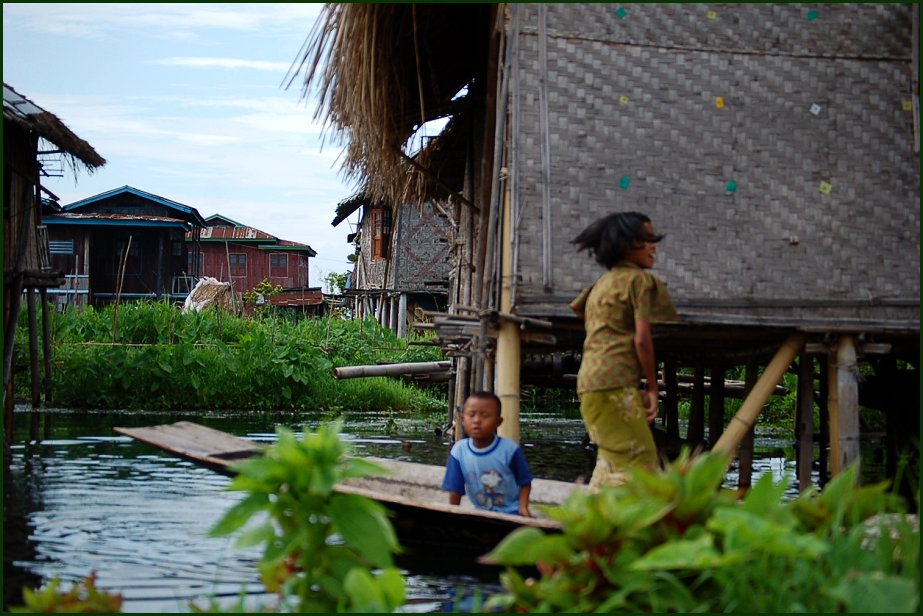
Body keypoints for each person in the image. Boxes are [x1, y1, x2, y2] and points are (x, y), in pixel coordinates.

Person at [570, 211, 678, 489]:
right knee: (641, 460)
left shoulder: (599, 286)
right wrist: (653, 387)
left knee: (612, 458)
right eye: (647, 239)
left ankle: (591, 520)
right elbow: (642, 340)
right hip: (613, 383)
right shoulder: (638, 281)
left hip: (590, 383)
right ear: (627, 245)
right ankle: (627, 524)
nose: (654, 246)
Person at [441, 391, 533, 516]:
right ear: (463, 420)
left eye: (485, 415)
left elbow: (525, 481)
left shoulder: (509, 450)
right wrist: (452, 514)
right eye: (471, 415)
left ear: (498, 421)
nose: (477, 420)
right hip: (479, 512)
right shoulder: (459, 451)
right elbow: (455, 489)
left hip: (511, 511)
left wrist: (523, 508)